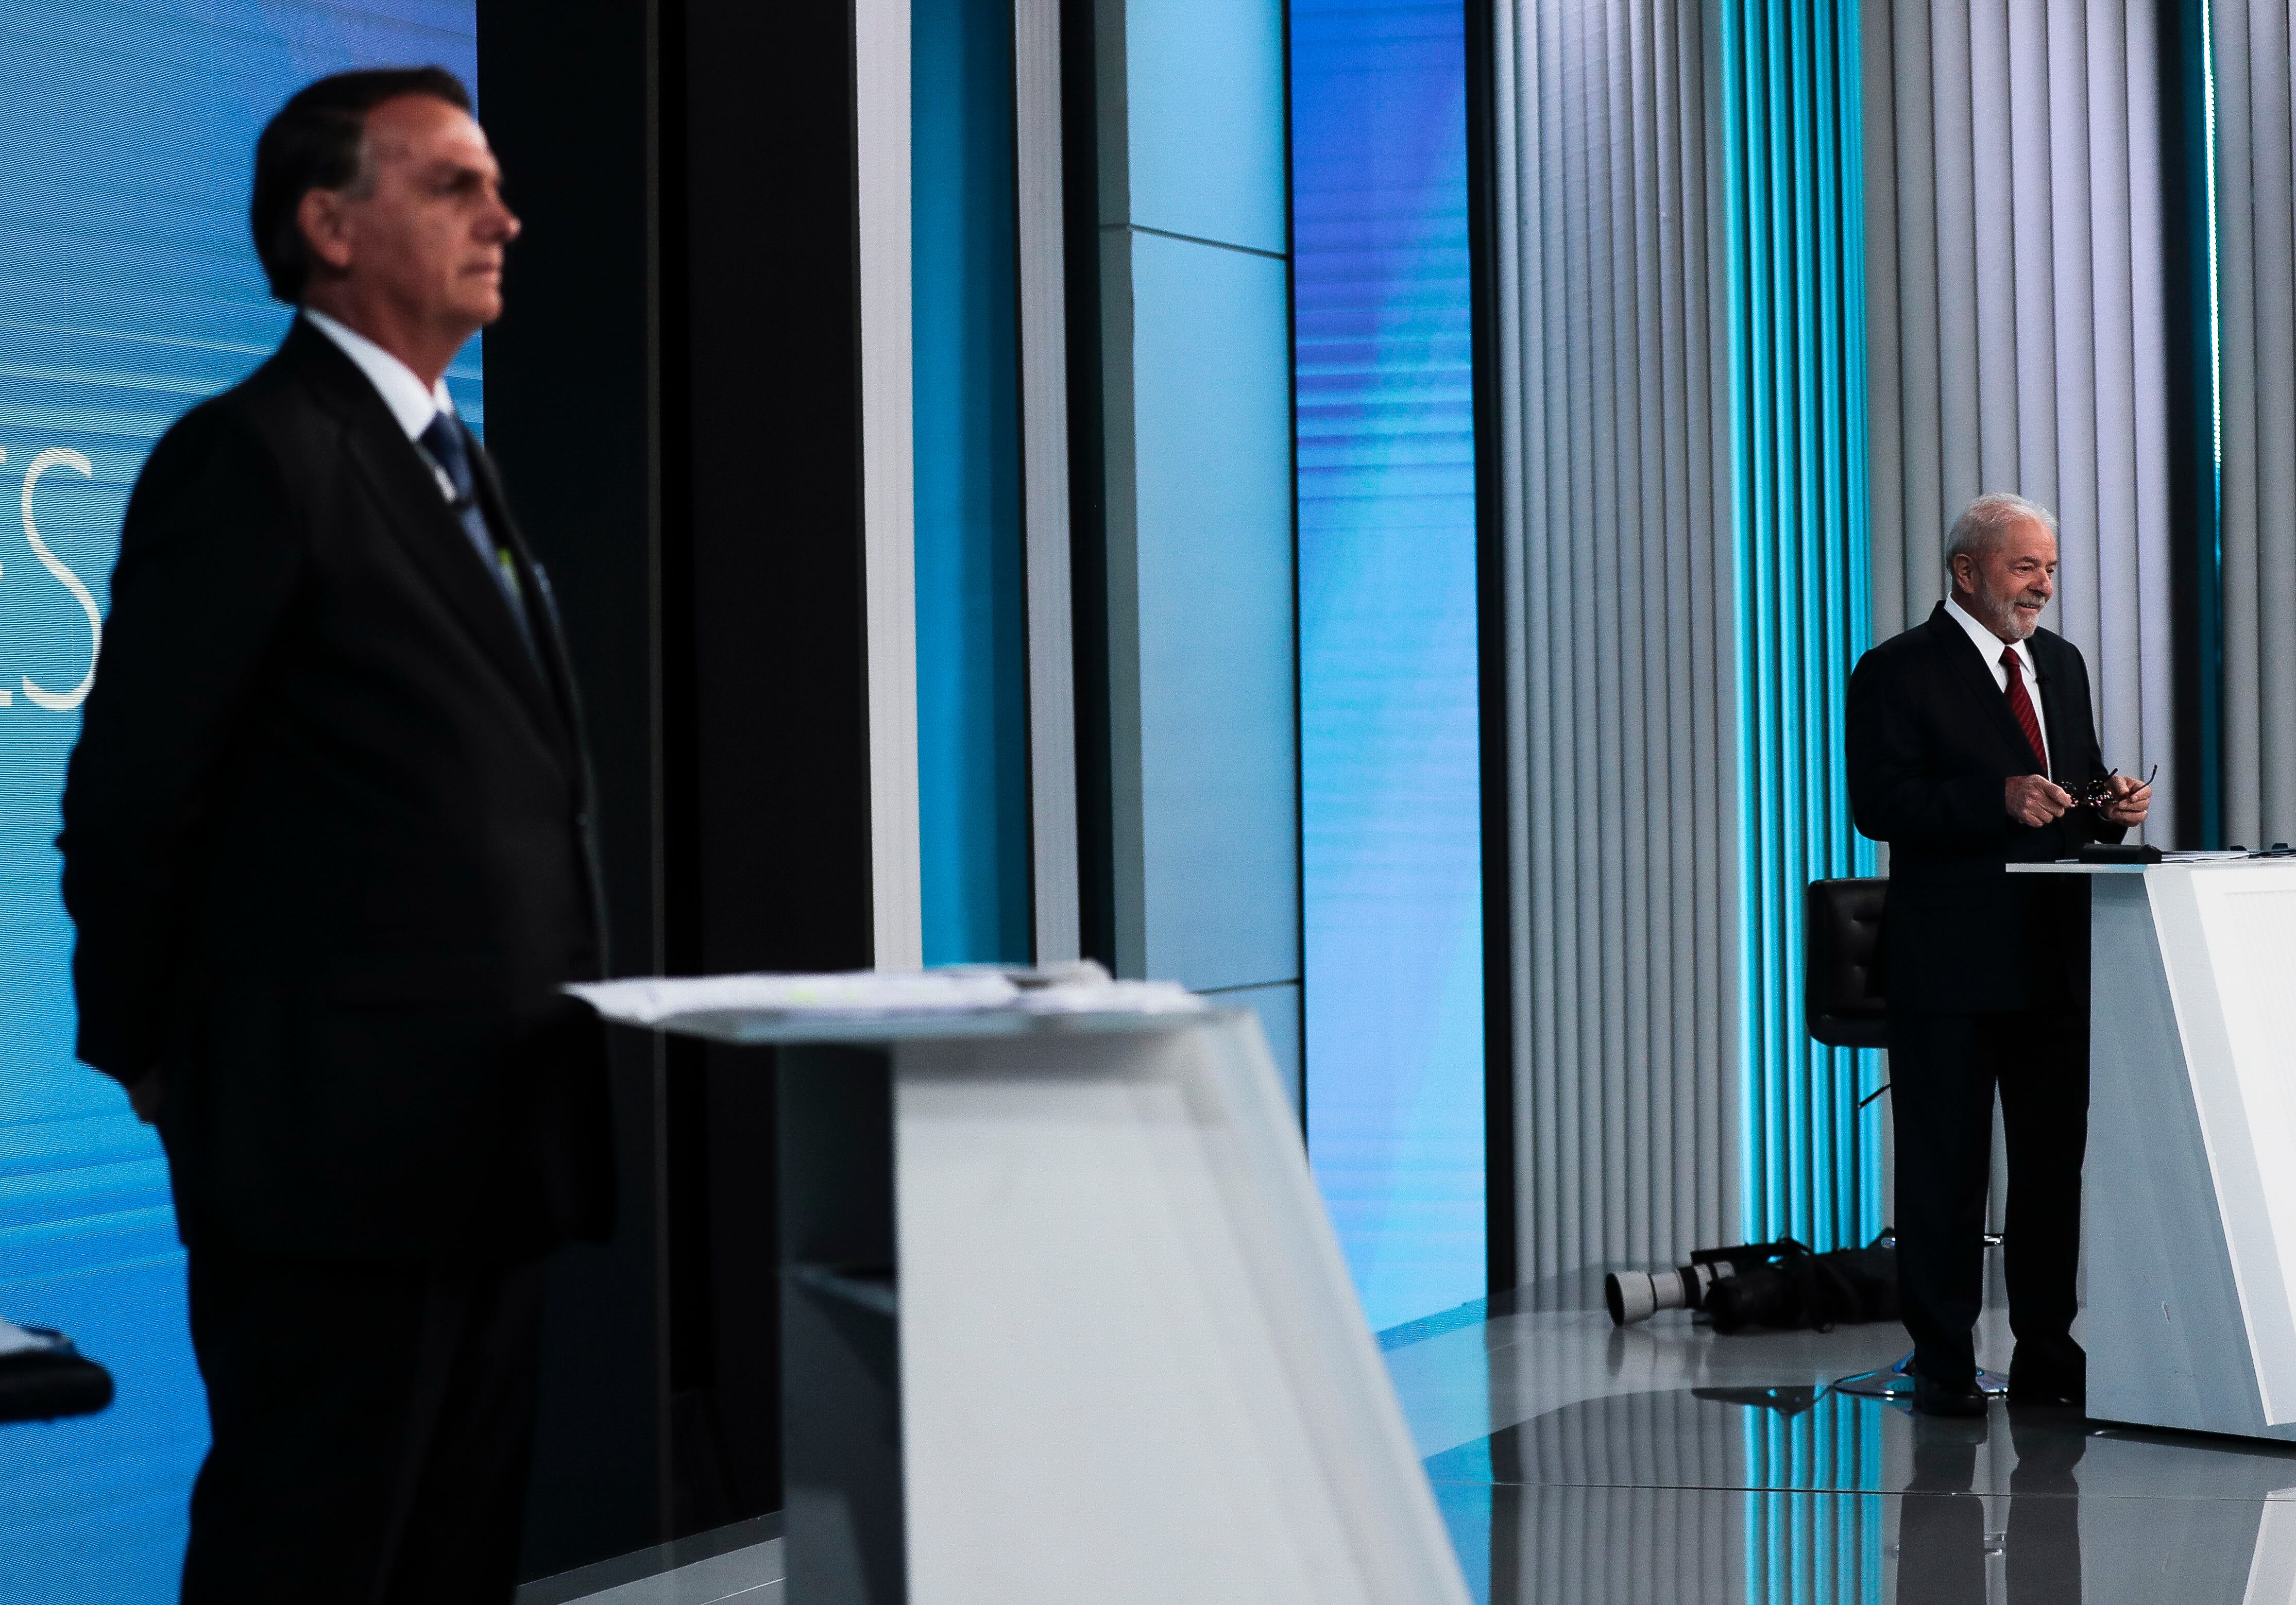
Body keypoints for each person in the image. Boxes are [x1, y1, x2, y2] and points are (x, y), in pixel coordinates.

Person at [57, 67, 612, 1601]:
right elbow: (129, 800)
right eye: (451, 184)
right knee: (310, 1557)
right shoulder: (250, 454)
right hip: (325, 1157)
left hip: (490, 1141)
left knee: (450, 1559)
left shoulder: (454, 458)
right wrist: (166, 1061)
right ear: (329, 226)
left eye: (494, 181)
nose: (503, 214)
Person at [1845, 492, 2150, 1419]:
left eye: (2050, 568)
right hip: (1949, 964)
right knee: (1946, 1170)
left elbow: (2074, 789)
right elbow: (1881, 804)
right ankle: (1941, 1362)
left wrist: (2112, 806)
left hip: (2052, 960)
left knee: (2051, 1169)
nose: (2044, 586)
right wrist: (1996, 801)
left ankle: (2046, 1352)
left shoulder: (2059, 664)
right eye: (2026, 568)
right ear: (1966, 571)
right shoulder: (1896, 670)